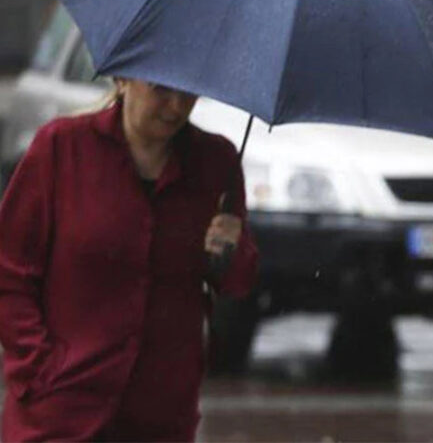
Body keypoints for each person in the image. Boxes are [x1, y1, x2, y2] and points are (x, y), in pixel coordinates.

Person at [0, 78, 258, 441]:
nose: (175, 107)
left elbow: (236, 281)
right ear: (122, 80)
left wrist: (233, 247)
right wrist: (39, 370)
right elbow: (9, 274)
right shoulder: (60, 147)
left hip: (161, 415)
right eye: (160, 90)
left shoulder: (216, 163)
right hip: (59, 415)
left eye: (188, 93)